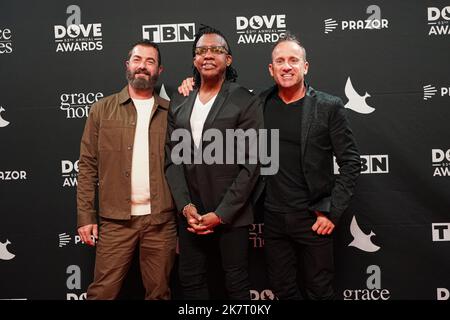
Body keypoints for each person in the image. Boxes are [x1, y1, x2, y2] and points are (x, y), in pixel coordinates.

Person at [178, 32, 361, 300]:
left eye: (293, 60)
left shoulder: (328, 106)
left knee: (320, 291)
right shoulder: (258, 103)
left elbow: (351, 162)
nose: (287, 66)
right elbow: (222, 94)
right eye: (280, 61)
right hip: (272, 218)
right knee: (283, 290)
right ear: (271, 69)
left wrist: (331, 211)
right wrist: (193, 83)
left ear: (305, 66)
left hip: (314, 217)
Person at [165, 25, 263, 300]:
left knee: (236, 284)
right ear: (195, 59)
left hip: (231, 215)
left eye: (216, 50)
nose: (208, 55)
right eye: (201, 50)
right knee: (191, 282)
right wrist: (186, 207)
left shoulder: (245, 100)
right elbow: (172, 161)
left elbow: (253, 164)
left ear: (228, 59)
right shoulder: (180, 103)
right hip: (191, 216)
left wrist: (221, 214)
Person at [77, 40, 177, 300]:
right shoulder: (101, 110)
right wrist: (86, 215)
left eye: (150, 61)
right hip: (115, 221)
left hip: (161, 221)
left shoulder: (173, 112)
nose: (142, 66)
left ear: (159, 70)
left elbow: (184, 166)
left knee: (159, 294)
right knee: (102, 293)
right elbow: (87, 165)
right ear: (128, 65)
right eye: (137, 59)